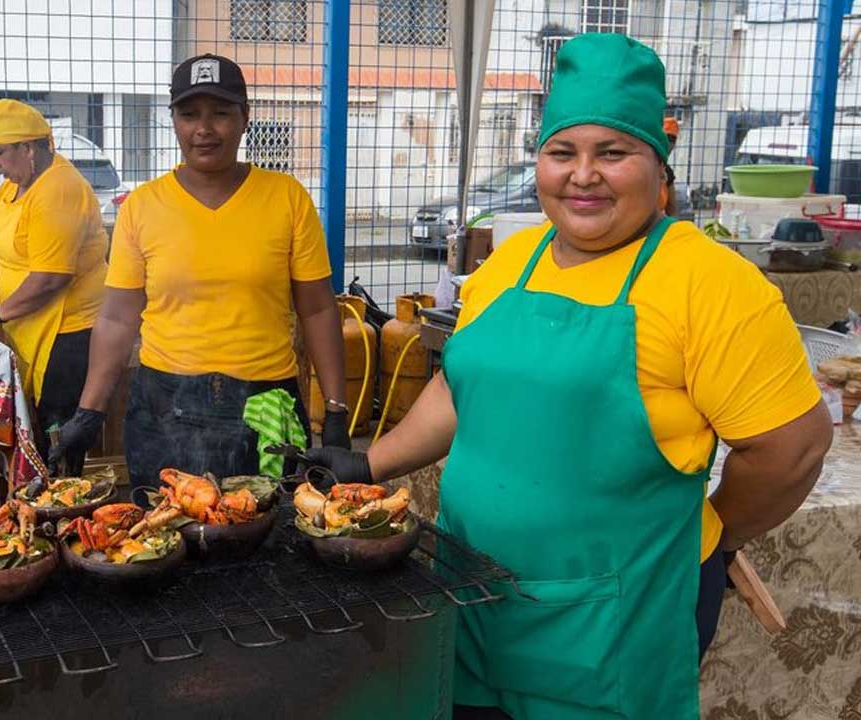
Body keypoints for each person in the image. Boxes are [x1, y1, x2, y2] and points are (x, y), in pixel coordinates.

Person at [306, 34, 831, 719]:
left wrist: (712, 537)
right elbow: (465, 388)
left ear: (657, 167)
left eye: (612, 153)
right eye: (563, 153)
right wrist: (367, 461)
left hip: (610, 624)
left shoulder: (709, 281)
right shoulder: (511, 262)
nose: (583, 175)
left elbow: (794, 449)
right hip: (473, 598)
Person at [49, 54, 352, 492]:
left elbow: (320, 309)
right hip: (163, 408)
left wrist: (337, 412)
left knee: (267, 541)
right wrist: (89, 412)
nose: (204, 129)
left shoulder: (287, 199)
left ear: (245, 118)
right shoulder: (142, 207)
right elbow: (117, 318)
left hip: (265, 408)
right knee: (161, 540)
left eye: (220, 114)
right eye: (189, 114)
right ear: (173, 121)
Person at [0, 99, 108, 473]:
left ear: (30, 147)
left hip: (67, 334)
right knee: (34, 430)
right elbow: (1, 248)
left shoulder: (59, 190)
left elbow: (51, 276)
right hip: (32, 328)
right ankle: (38, 508)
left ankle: (66, 513)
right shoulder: (13, 185)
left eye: (1, 152)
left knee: (59, 437)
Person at [662, 116, 680, 215]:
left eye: (672, 139)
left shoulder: (667, 171)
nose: (669, 144)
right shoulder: (665, 169)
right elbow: (671, 207)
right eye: (668, 139)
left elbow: (671, 206)